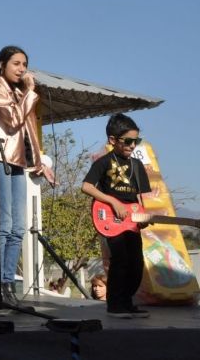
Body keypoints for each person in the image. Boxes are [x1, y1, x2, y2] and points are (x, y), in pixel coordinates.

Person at [0, 45, 54, 307]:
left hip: (17, 160)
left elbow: (28, 128)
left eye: (24, 65)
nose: (21, 69)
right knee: (4, 223)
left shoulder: (20, 92)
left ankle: (8, 286)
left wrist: (40, 162)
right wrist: (30, 92)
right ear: (2, 65)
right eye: (16, 64)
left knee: (18, 227)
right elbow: (13, 119)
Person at [82, 113, 151, 318]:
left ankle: (127, 302)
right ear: (113, 140)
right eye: (128, 141)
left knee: (136, 263)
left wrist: (143, 217)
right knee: (120, 260)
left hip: (131, 220)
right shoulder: (104, 162)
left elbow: (140, 198)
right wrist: (112, 201)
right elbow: (86, 186)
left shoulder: (137, 166)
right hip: (111, 218)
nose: (132, 145)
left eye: (136, 141)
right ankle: (114, 305)